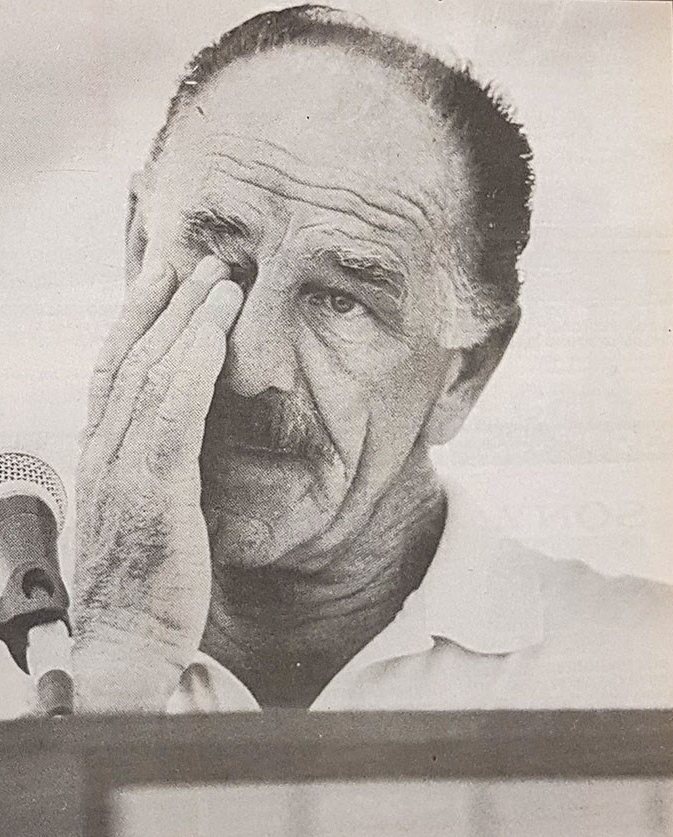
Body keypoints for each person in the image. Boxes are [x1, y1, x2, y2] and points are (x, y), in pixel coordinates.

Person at [70, 4, 672, 713]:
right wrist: (116, 655)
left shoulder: (642, 668)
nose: (247, 365)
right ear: (139, 248)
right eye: (217, 259)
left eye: (340, 299)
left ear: (467, 372)